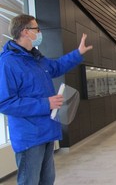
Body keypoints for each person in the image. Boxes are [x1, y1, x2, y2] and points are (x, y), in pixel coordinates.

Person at [0, 14, 92, 185]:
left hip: (47, 131)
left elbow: (56, 67)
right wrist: (46, 104)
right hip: (29, 137)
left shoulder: (36, 59)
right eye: (37, 29)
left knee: (47, 180)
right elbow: (5, 103)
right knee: (30, 181)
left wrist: (78, 53)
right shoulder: (7, 63)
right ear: (25, 32)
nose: (40, 33)